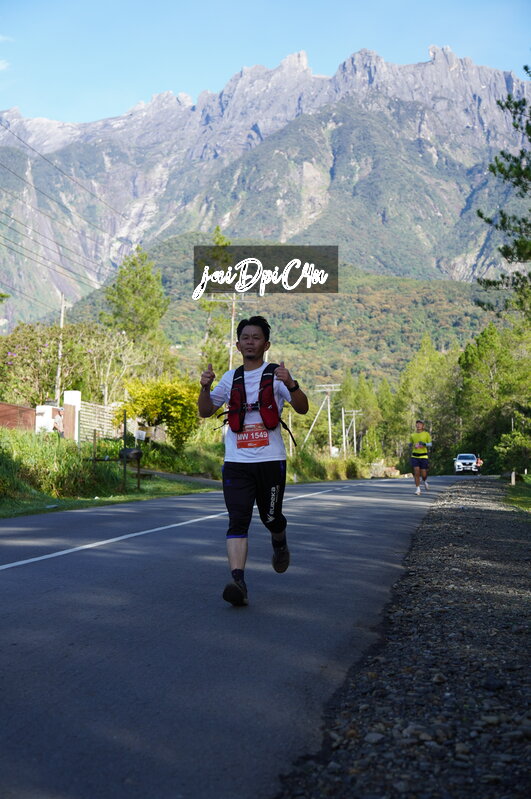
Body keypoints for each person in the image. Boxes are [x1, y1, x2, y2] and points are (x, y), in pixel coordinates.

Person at [198, 315, 309, 607]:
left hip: (271, 460)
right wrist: (204, 388)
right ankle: (238, 581)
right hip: (236, 462)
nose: (250, 342)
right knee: (238, 520)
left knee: (271, 517)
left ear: (266, 344)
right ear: (238, 345)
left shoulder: (276, 376)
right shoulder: (229, 378)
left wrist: (292, 384)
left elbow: (302, 408)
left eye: (256, 337)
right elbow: (205, 411)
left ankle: (279, 541)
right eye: (245, 337)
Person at [409, 419, 432, 495]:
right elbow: (410, 443)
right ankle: (418, 489)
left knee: (424, 474)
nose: (418, 425)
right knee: (416, 472)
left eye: (420, 424)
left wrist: (424, 444)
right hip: (415, 456)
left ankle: (425, 481)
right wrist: (410, 445)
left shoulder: (426, 434)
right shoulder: (413, 435)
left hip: (423, 456)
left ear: (423, 426)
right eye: (417, 424)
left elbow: (430, 444)